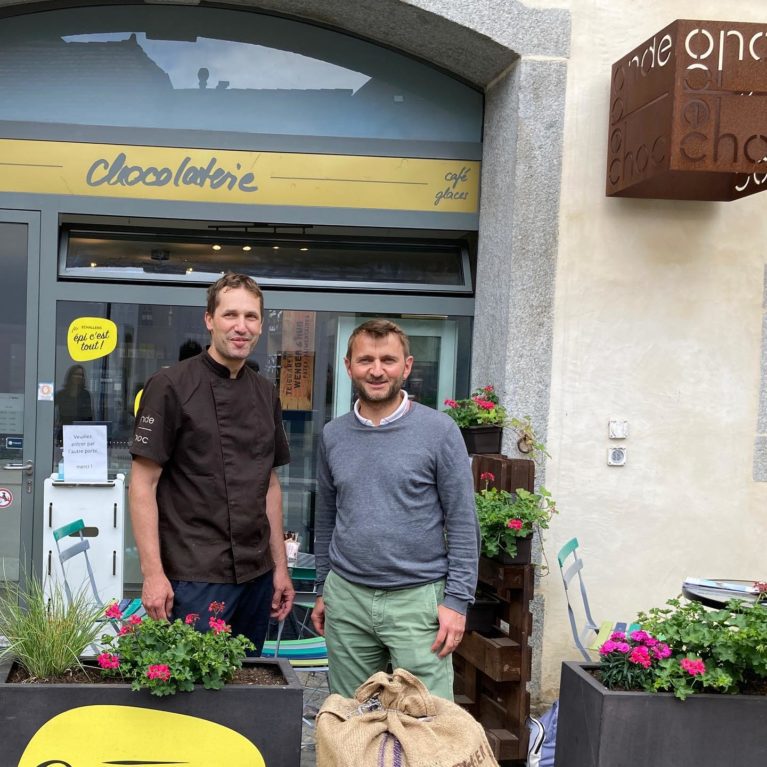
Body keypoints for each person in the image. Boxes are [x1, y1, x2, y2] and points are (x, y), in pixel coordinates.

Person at [312, 319, 479, 700]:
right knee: (353, 720)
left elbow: (463, 520)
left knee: (427, 721)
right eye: (365, 360)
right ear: (348, 366)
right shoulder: (333, 435)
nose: (376, 370)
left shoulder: (439, 431)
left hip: (418, 601)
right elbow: (326, 515)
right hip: (348, 598)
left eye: (388, 360)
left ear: (406, 366)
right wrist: (324, 587)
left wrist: (456, 601)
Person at [129, 273, 294, 653]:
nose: (241, 327)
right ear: (209, 320)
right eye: (230, 315)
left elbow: (268, 485)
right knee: (190, 699)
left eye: (251, 317)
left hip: (256, 577)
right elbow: (142, 485)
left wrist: (279, 569)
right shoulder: (170, 386)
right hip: (193, 577)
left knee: (245, 688)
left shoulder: (265, 392)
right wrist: (153, 574)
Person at [55, 364, 93, 429]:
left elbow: (89, 417)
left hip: (81, 431)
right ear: (70, 376)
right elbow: (51, 411)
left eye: (81, 375)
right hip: (64, 430)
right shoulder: (61, 394)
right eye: (76, 374)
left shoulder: (86, 394)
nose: (79, 377)